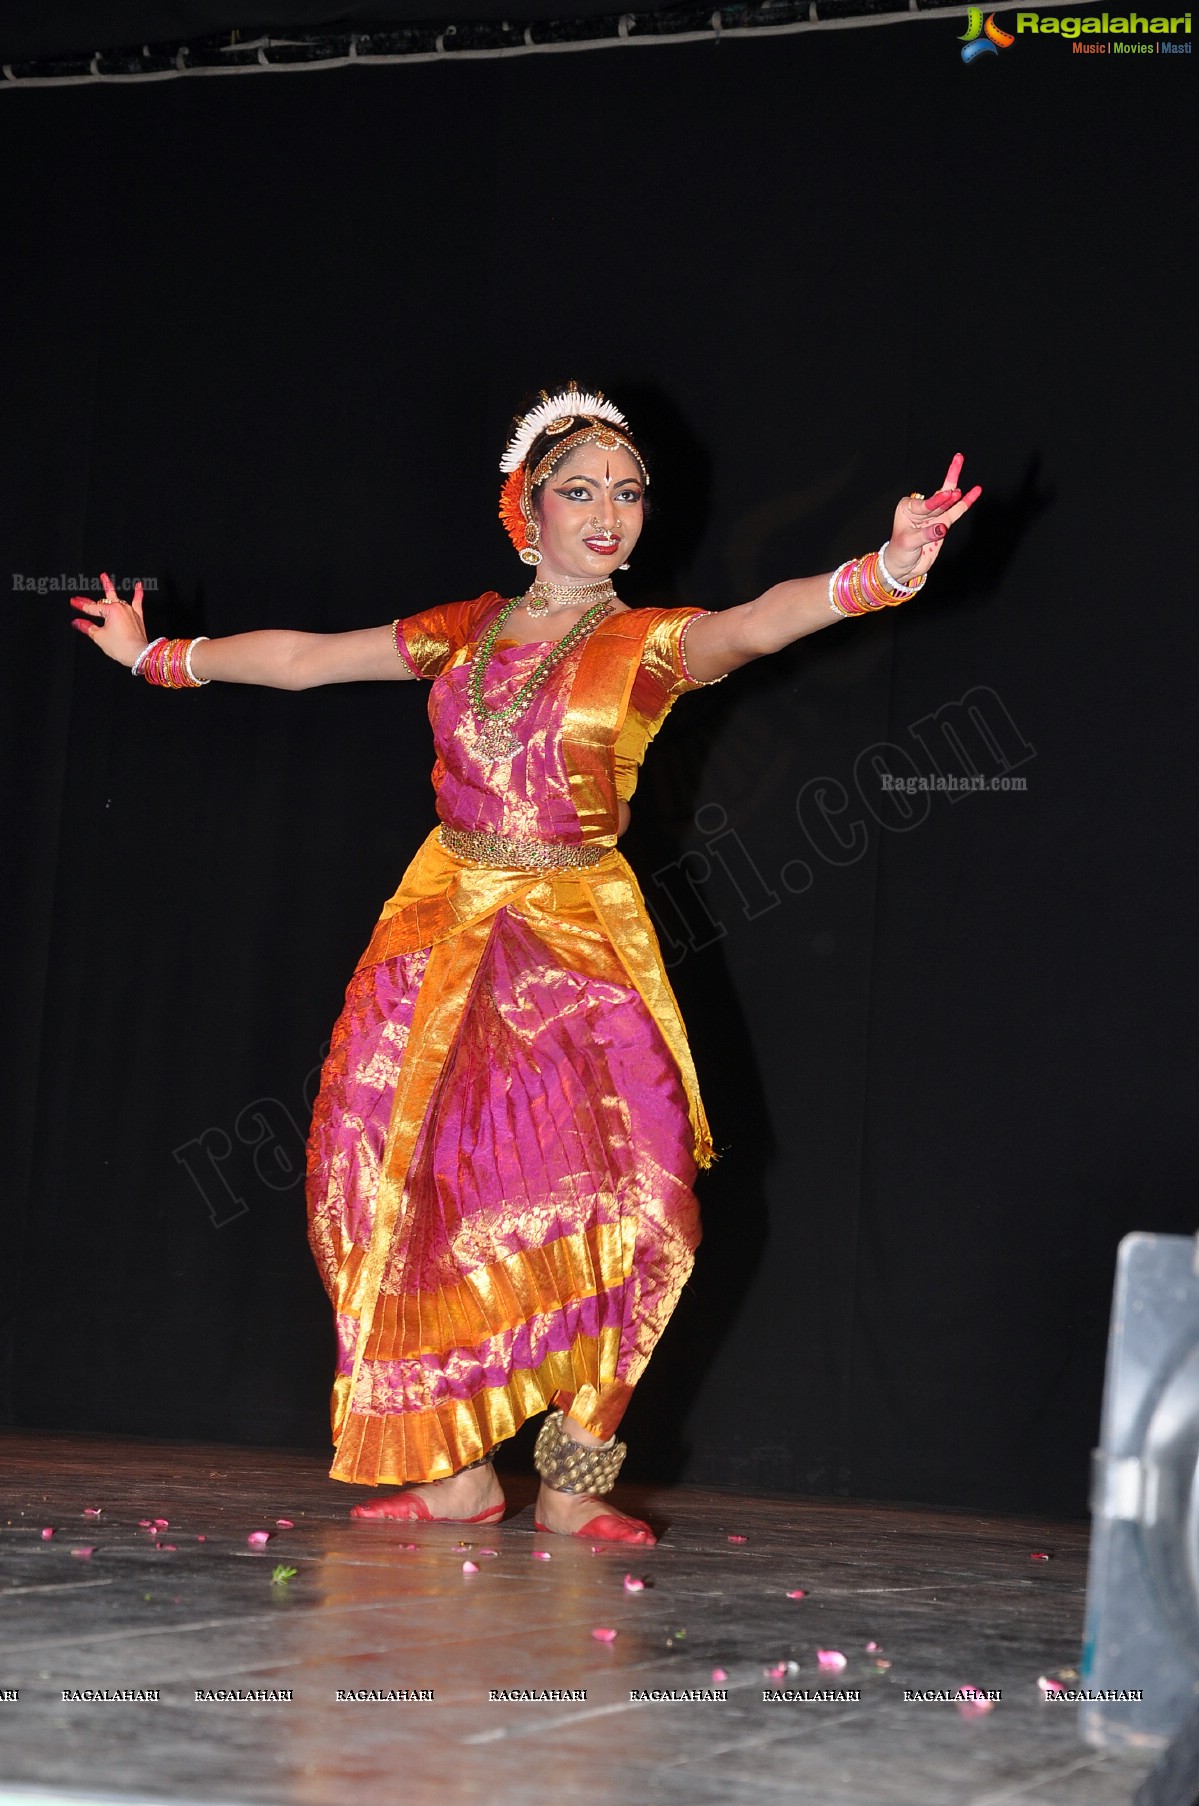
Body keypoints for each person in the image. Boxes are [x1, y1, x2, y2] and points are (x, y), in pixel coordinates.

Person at [71, 383, 980, 1546]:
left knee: (645, 1204)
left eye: (629, 494)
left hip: (575, 938)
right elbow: (305, 659)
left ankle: (575, 1478)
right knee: (373, 1185)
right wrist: (158, 657)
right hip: (438, 927)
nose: (609, 514)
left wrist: (886, 568)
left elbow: (757, 621)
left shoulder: (648, 645)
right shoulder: (464, 629)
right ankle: (453, 1472)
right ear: (527, 508)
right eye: (581, 491)